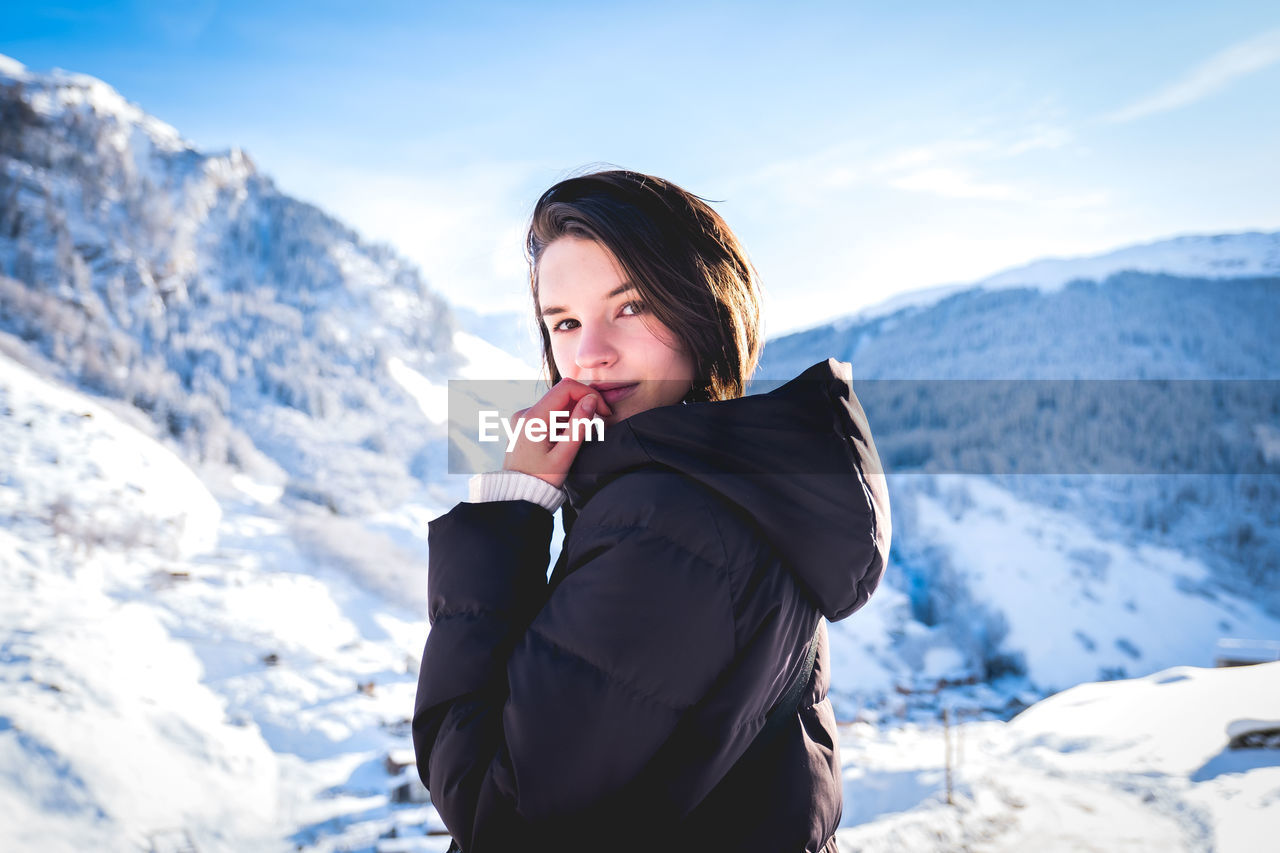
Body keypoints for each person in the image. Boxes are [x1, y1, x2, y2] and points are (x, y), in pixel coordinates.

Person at [413, 168, 891, 852]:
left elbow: (496, 812)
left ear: (702, 308)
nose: (591, 353)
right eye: (565, 322)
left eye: (631, 306)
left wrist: (510, 505)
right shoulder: (731, 484)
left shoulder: (668, 517)